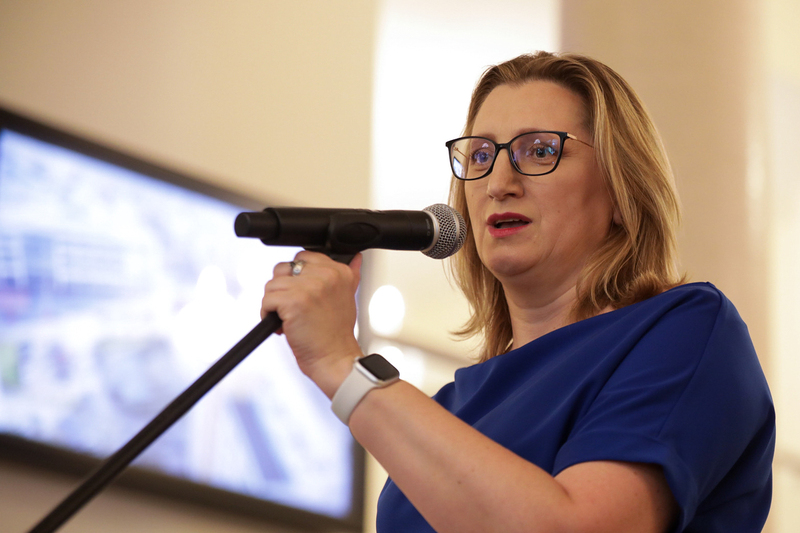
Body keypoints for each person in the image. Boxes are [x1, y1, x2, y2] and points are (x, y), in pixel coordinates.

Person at [260, 51, 775, 533]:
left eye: (540, 150)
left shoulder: (684, 331)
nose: (498, 182)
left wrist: (343, 366)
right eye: (480, 155)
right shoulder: (450, 409)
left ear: (622, 191)